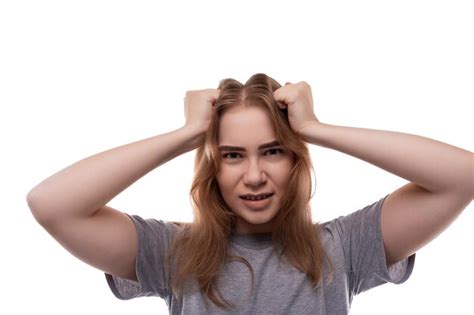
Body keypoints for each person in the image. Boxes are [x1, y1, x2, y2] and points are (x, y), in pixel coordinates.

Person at [26, 73, 473, 314]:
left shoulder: (341, 247)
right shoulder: (174, 253)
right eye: (233, 155)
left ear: (296, 158)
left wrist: (316, 129)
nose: (255, 175)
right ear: (212, 167)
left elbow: (463, 176)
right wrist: (187, 135)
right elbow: (51, 204)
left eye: (274, 151)